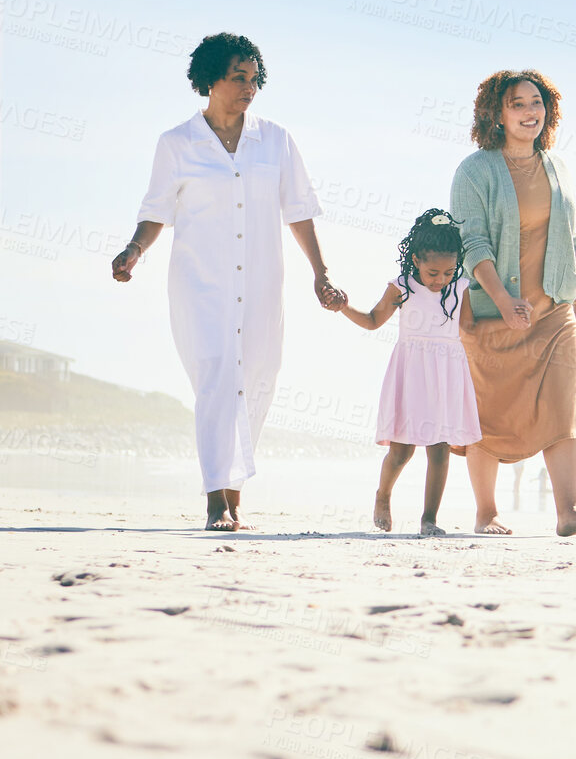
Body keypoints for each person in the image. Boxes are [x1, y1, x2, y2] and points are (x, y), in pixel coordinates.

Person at [111, 33, 346, 531]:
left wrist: (321, 273)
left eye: (255, 78)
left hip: (262, 284)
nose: (249, 87)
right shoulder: (176, 143)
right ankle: (217, 502)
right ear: (209, 80)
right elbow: (156, 211)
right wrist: (134, 251)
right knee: (218, 376)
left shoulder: (276, 140)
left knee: (256, 380)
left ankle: (233, 498)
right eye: (239, 77)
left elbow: (300, 213)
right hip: (201, 285)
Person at [450, 69, 576, 537]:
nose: (528, 112)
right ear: (497, 113)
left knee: (562, 403)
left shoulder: (556, 166)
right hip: (495, 309)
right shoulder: (475, 170)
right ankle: (486, 511)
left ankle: (568, 512)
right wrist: (504, 298)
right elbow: (472, 243)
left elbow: (570, 238)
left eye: (535, 102)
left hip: (553, 307)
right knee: (490, 411)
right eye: (517, 103)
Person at [337, 208, 482, 536]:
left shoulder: (460, 288)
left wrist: (512, 318)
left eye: (447, 272)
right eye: (433, 273)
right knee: (401, 452)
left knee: (440, 451)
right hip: (412, 372)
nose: (439, 280)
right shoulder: (401, 286)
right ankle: (383, 494)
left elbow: (472, 328)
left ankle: (429, 518)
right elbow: (373, 321)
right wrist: (345, 307)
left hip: (447, 372)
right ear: (415, 260)